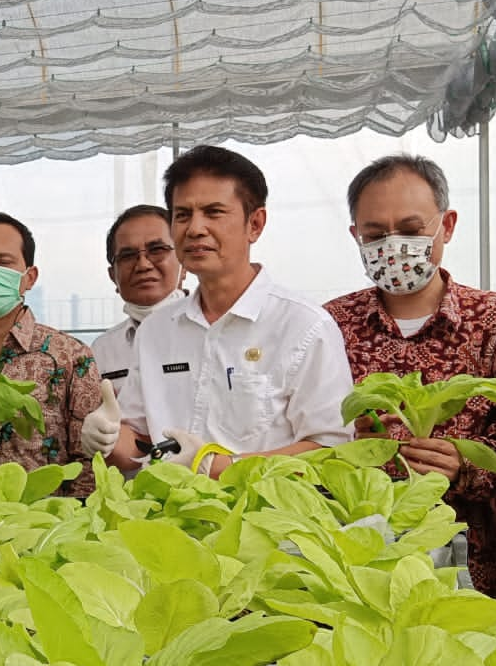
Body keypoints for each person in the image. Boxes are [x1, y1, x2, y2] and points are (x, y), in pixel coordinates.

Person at [324, 155, 496, 596]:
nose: (393, 245)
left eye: (411, 229)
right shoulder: (329, 324)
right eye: (375, 234)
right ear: (355, 236)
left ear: (448, 225)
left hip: (467, 561)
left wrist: (467, 464)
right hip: (355, 559)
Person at [106, 145, 354, 476]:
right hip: (169, 518)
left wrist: (218, 467)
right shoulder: (157, 330)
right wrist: (107, 436)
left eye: (213, 212)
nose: (194, 228)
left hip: (266, 519)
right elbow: (137, 436)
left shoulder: (304, 326)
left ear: (255, 223)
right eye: (182, 215)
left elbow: (330, 450)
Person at [0, 212, 111, 496]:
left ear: (30, 277)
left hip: (45, 521)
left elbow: (86, 461)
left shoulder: (71, 355)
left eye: (4, 262)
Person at [91, 204, 187, 388]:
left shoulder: (212, 333)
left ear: (184, 264)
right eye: (127, 256)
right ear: (113, 276)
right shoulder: (101, 351)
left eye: (157, 250)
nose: (143, 265)